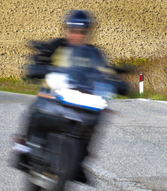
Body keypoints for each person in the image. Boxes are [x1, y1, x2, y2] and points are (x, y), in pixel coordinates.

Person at [16, 9, 128, 182]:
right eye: (74, 30)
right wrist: (38, 66)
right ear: (67, 30)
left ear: (88, 32)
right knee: (36, 109)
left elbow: (105, 71)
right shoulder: (57, 46)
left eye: (82, 32)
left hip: (82, 99)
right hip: (54, 97)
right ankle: (25, 148)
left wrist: (118, 82)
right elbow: (42, 56)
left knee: (98, 117)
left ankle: (79, 159)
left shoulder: (95, 53)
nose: (78, 35)